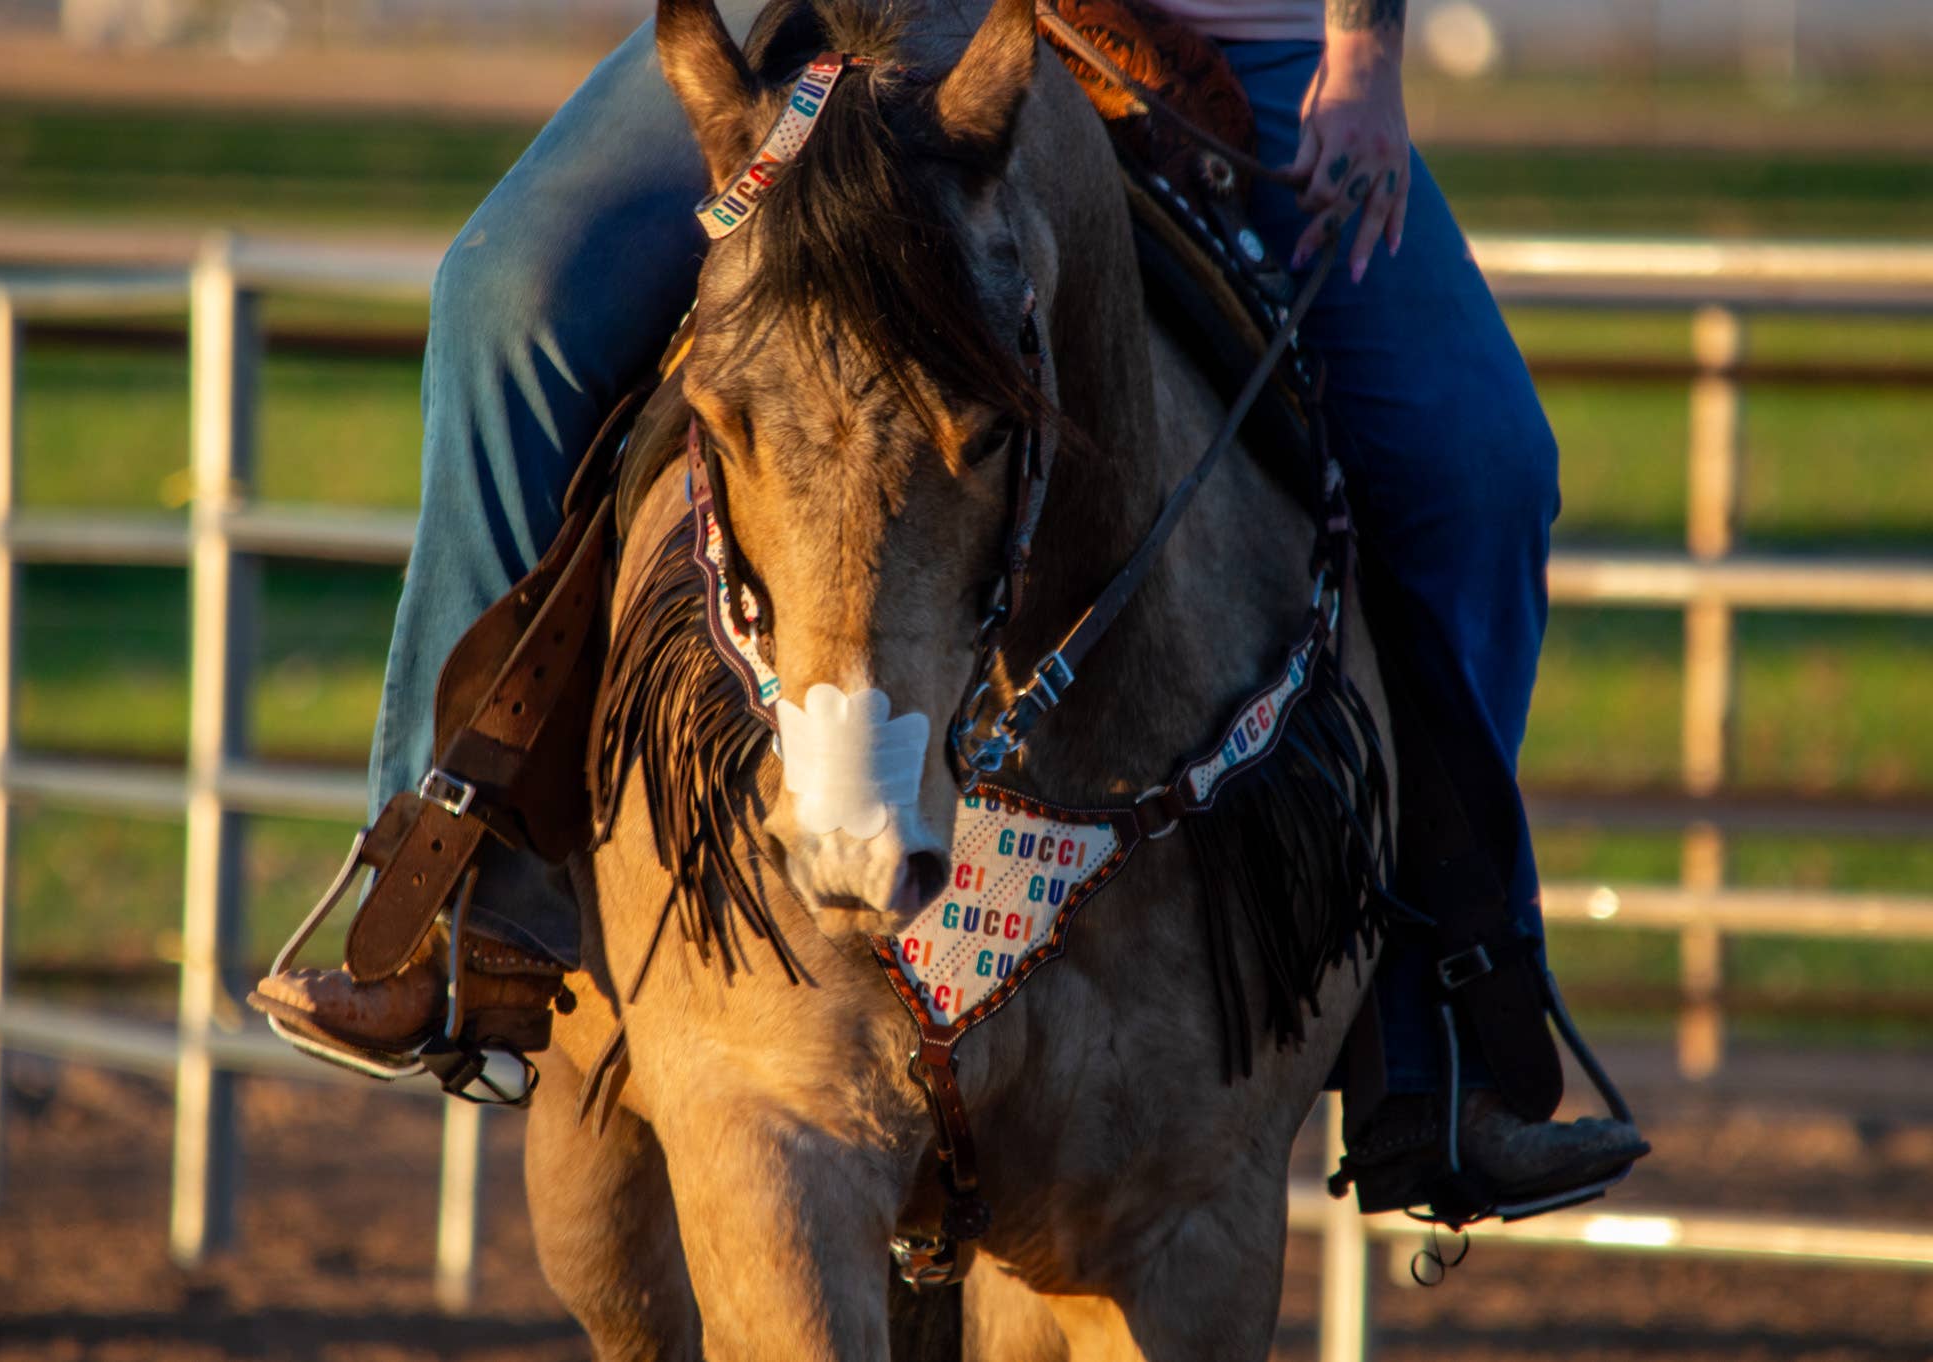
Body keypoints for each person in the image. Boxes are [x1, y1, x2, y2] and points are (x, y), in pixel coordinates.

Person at [253, 0, 1647, 1218]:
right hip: (859, 5)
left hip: (1240, 40)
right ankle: (449, 893)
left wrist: (1364, 53)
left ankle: (1437, 1019)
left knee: (1483, 472)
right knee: (506, 300)